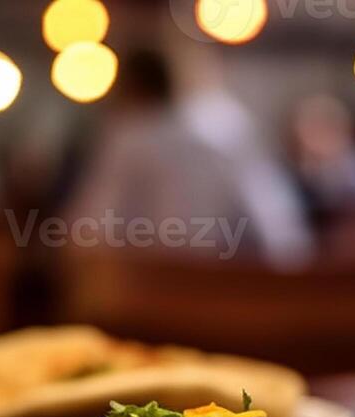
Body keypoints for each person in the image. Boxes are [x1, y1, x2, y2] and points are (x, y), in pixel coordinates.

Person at [65, 48, 313, 268]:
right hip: (221, 289)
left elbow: (90, 230)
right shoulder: (230, 127)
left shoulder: (129, 136)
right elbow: (281, 232)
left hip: (147, 291)